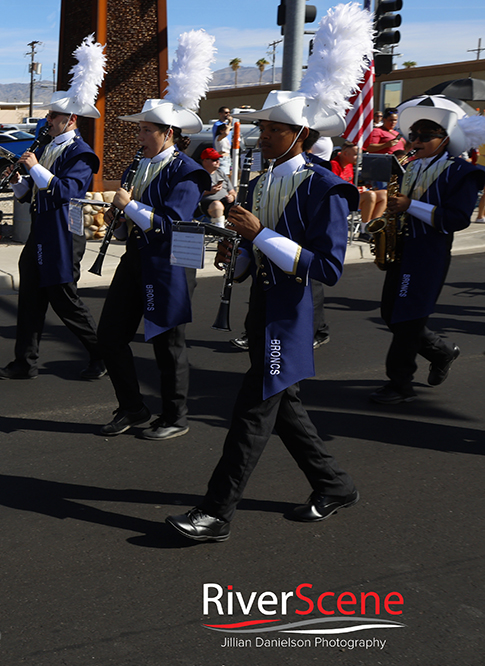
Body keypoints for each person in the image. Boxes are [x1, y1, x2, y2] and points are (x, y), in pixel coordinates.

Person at [167, 3, 368, 541]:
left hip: (291, 316)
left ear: (298, 133)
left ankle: (216, 512)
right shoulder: (260, 183)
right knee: (285, 408)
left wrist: (260, 236)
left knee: (253, 413)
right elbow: (258, 246)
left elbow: (327, 266)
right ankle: (335, 484)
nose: (262, 134)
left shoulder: (327, 188)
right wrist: (240, 253)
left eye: (273, 128)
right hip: (264, 309)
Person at [95, 29, 214, 440]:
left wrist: (129, 205)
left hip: (171, 262)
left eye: (148, 130)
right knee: (109, 337)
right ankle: (132, 406)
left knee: (167, 345)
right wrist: (120, 215)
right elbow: (139, 216)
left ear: (169, 134)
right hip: (138, 257)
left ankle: (175, 417)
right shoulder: (139, 166)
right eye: (141, 129)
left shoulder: (189, 171)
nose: (140, 136)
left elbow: (170, 221)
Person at [0, 35, 107, 381]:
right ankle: (24, 362)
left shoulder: (81, 153)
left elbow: (67, 190)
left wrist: (36, 168)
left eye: (53, 116)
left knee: (66, 302)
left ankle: (102, 354)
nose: (47, 119)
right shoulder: (51, 148)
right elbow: (38, 191)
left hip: (62, 235)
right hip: (42, 233)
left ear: (70, 120)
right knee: (29, 302)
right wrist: (20, 183)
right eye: (48, 115)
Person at [368, 95, 485, 404]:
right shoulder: (410, 167)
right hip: (402, 249)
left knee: (407, 320)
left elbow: (456, 219)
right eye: (414, 135)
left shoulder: (461, 172)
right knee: (392, 315)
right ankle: (441, 351)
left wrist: (409, 205)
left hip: (427, 254)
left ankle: (399, 382)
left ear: (444, 139)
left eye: (425, 136)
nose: (416, 141)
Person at [330, 140, 387, 233]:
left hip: (350, 197)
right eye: (356, 154)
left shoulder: (348, 164)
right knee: (370, 195)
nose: (359, 158)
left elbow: (350, 185)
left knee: (384, 194)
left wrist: (357, 189)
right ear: (345, 154)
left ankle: (373, 227)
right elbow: (336, 187)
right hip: (340, 200)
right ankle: (364, 230)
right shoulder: (334, 165)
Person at [198, 146, 235, 228]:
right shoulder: (199, 175)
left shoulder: (220, 173)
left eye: (218, 159)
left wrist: (232, 197)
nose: (218, 161)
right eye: (214, 160)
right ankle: (220, 230)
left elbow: (232, 191)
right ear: (205, 161)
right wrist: (210, 191)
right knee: (217, 205)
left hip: (226, 202)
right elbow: (192, 194)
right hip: (208, 206)